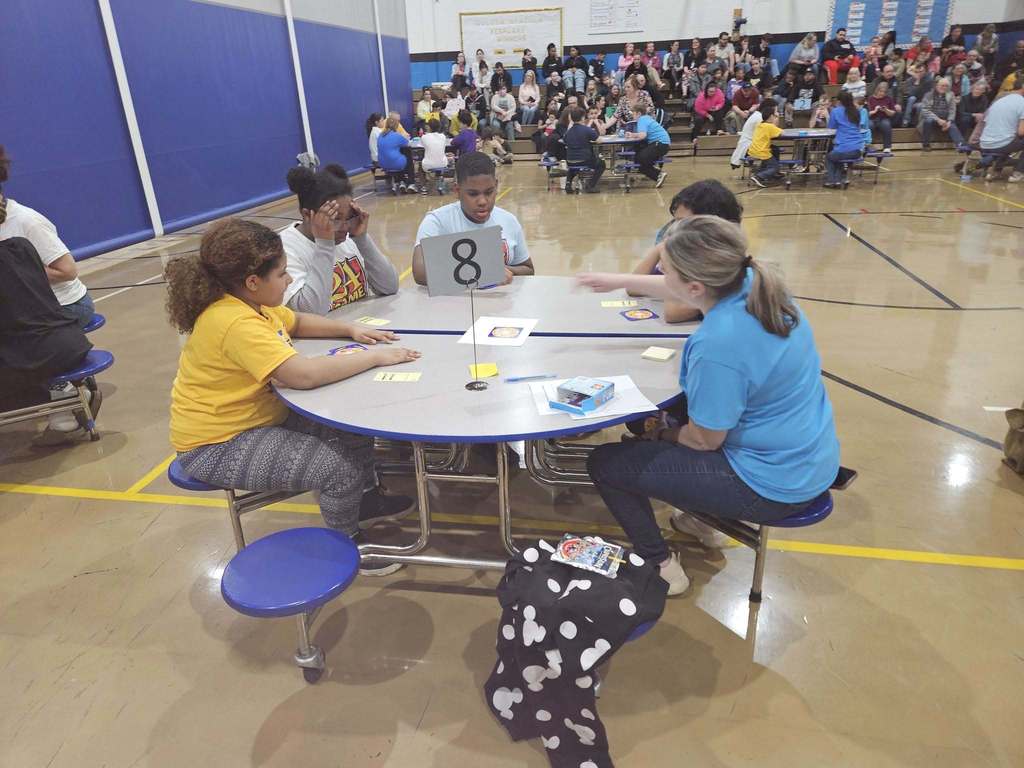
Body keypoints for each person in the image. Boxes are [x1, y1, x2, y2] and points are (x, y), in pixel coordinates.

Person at [579, 216, 840, 595]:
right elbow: (681, 286)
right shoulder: (754, 284)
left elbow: (704, 440)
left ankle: (660, 567)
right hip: (809, 458)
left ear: (695, 287)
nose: (661, 275)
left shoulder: (719, 343)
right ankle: (700, 519)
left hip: (770, 485)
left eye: (665, 270)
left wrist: (661, 434)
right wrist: (615, 280)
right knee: (666, 418)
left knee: (607, 463)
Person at [166, 218, 419, 574]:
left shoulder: (253, 304)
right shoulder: (234, 322)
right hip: (216, 445)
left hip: (257, 419)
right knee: (337, 469)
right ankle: (347, 546)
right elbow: (302, 375)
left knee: (351, 420)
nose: (288, 280)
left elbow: (296, 321)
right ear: (253, 282)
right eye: (282, 274)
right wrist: (375, 357)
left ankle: (364, 499)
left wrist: (349, 329)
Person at [0, 236, 98, 446]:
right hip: (70, 341)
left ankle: (60, 398)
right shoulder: (22, 245)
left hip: (37, 352)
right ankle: (64, 397)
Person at [281, 164, 398, 314]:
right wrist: (325, 245)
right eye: (335, 219)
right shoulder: (284, 249)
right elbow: (310, 311)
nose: (345, 227)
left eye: (349, 217)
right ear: (307, 215)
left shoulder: (348, 238)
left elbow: (389, 286)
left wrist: (362, 239)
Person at [0, 148, 95, 329]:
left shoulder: (26, 220)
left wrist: (19, 272)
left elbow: (68, 271)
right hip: (23, 307)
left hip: (68, 305)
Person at [412, 152, 534, 285]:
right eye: (473, 194)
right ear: (457, 191)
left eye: (489, 192)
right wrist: (483, 272)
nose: (482, 201)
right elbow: (420, 272)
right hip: (455, 299)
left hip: (502, 298)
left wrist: (504, 270)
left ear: (496, 186)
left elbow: (528, 269)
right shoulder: (437, 222)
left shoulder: (509, 220)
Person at [979, 75, 1024, 182]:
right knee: (1010, 140)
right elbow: (1021, 132)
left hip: (984, 144)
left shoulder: (998, 101)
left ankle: (995, 171)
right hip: (1001, 145)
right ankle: (1018, 173)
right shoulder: (1022, 102)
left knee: (1007, 138)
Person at [825, 90, 865, 188]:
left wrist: (827, 116)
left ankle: (831, 181)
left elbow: (831, 127)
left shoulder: (836, 111)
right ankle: (838, 181)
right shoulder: (856, 111)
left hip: (843, 147)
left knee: (829, 157)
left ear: (839, 101)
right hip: (858, 149)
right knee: (837, 157)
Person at [561, 107, 605, 193]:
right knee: (601, 164)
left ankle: (568, 184)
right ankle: (591, 185)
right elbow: (599, 140)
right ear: (582, 117)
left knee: (573, 166)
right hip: (585, 160)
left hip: (569, 160)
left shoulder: (568, 132)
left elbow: (564, 141)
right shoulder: (587, 130)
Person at [624, 105, 670, 187]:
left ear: (638, 113)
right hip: (663, 144)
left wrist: (632, 135)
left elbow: (642, 135)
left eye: (633, 113)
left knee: (639, 159)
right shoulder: (648, 118)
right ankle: (658, 176)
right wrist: (633, 135)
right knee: (639, 161)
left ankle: (659, 174)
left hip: (659, 143)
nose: (632, 116)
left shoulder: (642, 120)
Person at [919, 77, 965, 151]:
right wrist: (938, 120)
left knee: (952, 125)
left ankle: (961, 145)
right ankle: (926, 144)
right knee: (928, 121)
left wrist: (950, 120)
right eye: (942, 85)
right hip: (933, 118)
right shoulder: (928, 95)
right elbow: (925, 110)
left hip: (945, 119)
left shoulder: (951, 94)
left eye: (946, 86)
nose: (944, 87)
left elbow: (952, 109)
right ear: (936, 85)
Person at [377, 116, 418, 193]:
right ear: (396, 126)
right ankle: (411, 183)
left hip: (382, 164)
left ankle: (401, 181)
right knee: (407, 154)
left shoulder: (380, 135)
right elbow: (409, 144)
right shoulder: (397, 136)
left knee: (398, 154)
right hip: (395, 163)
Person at [749, 101, 785, 187]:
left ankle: (764, 173)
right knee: (775, 167)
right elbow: (781, 132)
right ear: (771, 116)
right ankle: (759, 177)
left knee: (774, 150)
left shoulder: (760, 124)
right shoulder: (769, 126)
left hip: (753, 149)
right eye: (774, 115)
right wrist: (777, 119)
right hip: (762, 151)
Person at [867, 80, 899, 153]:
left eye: (884, 92)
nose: (882, 93)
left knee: (886, 125)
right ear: (877, 90)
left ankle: (887, 147)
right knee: (869, 125)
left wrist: (886, 110)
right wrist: (875, 110)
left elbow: (893, 113)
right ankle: (867, 146)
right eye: (880, 91)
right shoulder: (871, 99)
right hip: (872, 118)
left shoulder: (888, 98)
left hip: (884, 118)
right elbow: (867, 113)